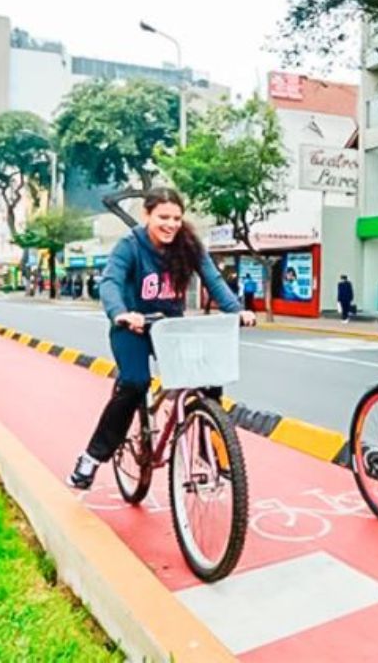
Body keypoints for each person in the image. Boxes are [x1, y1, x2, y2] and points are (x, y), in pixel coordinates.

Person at [68, 187, 256, 489]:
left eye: (177, 218)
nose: (171, 224)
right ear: (147, 215)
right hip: (133, 327)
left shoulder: (189, 245)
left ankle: (211, 451)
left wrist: (237, 310)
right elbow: (111, 283)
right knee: (134, 383)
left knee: (208, 376)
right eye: (163, 217)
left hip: (169, 328)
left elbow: (213, 279)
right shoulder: (130, 246)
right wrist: (121, 313)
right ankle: (91, 458)